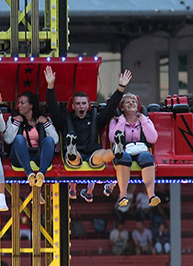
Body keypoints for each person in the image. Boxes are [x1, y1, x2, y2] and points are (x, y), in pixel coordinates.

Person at [44, 66, 129, 201]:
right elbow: (53, 108)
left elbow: (110, 108)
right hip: (74, 156)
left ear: (88, 105)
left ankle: (115, 150)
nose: (81, 106)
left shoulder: (95, 119)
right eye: (78, 104)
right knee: (75, 158)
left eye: (84, 103)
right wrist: (50, 86)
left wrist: (120, 89)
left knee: (99, 156)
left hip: (92, 152)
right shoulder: (65, 120)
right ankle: (72, 149)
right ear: (73, 106)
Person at [107, 92, 160, 208]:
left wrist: (143, 121)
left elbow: (153, 138)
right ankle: (123, 195)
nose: (131, 103)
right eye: (128, 102)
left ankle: (151, 195)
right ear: (122, 107)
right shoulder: (116, 121)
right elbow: (113, 138)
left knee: (147, 157)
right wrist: (121, 121)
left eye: (134, 102)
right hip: (124, 150)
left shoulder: (145, 120)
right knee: (123, 157)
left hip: (141, 150)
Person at [4, 91, 58, 184]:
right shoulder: (13, 119)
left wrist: (45, 123)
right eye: (18, 103)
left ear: (31, 105)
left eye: (22, 103)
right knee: (19, 138)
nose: (19, 106)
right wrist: (16, 123)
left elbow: (55, 140)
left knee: (48, 140)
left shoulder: (44, 120)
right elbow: (8, 140)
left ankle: (41, 174)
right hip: (18, 157)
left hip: (38, 155)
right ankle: (29, 173)